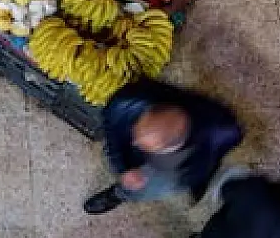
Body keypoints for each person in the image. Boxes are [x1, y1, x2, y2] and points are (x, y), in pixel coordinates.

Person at [83, 78, 243, 214]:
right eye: (138, 131)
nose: (135, 142)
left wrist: (194, 178)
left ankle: (125, 194)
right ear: (150, 111)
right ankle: (117, 194)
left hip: (184, 162)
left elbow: (218, 153)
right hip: (176, 155)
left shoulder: (220, 129)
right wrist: (123, 169)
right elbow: (113, 135)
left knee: (155, 185)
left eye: (147, 144)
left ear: (171, 147)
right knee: (132, 177)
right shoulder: (125, 102)